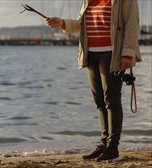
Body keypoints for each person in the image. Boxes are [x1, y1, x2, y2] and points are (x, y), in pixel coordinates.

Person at [46, 0, 142, 161]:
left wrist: (127, 53)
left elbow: (132, 24)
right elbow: (82, 25)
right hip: (90, 54)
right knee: (99, 101)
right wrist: (62, 22)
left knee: (111, 99)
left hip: (112, 53)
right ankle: (104, 144)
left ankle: (113, 148)